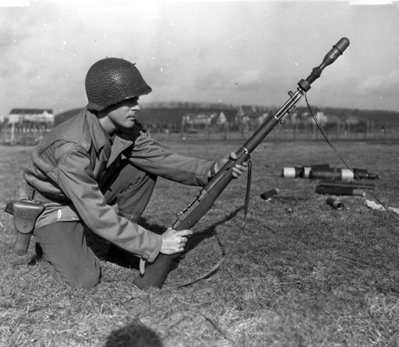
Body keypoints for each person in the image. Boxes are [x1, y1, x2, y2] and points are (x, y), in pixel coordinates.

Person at [19, 57, 247, 289]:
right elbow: (95, 214)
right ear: (106, 103)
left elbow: (161, 159)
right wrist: (155, 244)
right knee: (84, 279)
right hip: (53, 206)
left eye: (136, 99)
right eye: (130, 101)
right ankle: (51, 242)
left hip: (84, 194)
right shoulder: (71, 147)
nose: (137, 106)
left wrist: (213, 170)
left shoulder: (125, 130)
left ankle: (121, 250)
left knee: (142, 168)